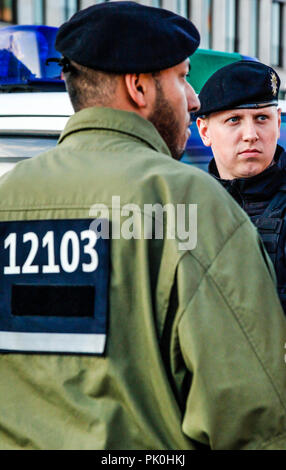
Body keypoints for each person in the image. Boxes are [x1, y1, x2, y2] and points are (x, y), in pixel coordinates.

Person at [0, 2, 285, 450]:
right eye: (182, 77)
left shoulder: (7, 199)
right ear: (138, 88)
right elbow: (248, 414)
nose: (193, 98)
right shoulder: (189, 201)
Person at [195, 60, 286, 313]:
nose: (250, 134)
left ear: (277, 123)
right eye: (234, 119)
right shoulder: (186, 206)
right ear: (204, 131)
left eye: (261, 118)